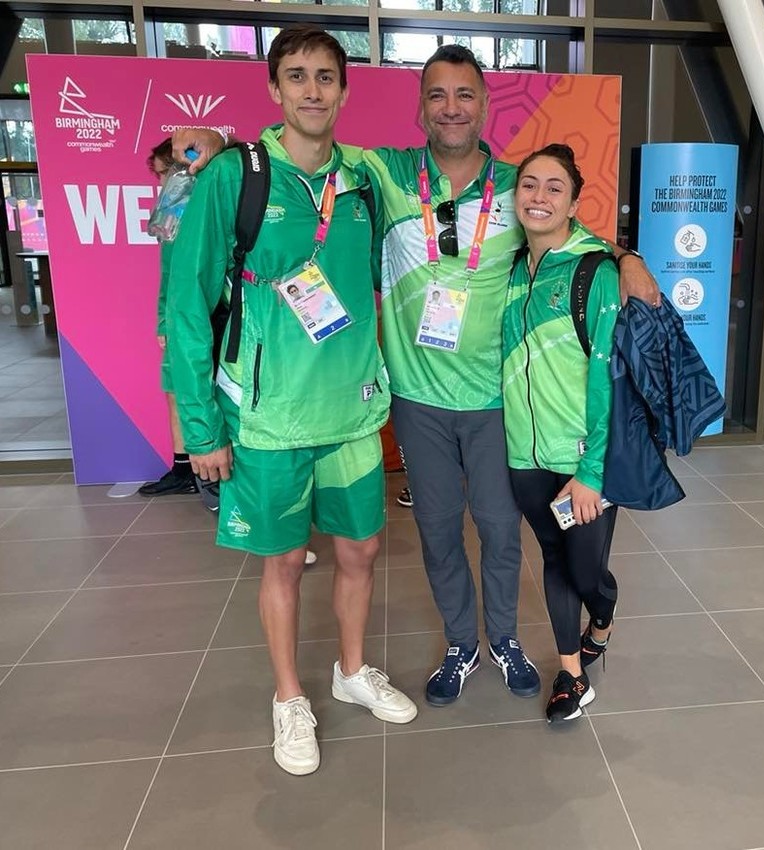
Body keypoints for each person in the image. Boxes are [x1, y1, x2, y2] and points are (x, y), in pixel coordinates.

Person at [172, 42, 659, 709]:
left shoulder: (518, 184)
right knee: (436, 531)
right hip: (415, 399)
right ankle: (461, 643)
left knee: (496, 528)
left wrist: (626, 258)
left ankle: (504, 640)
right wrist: (214, 145)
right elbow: (302, 153)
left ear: (485, 103)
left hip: (494, 401)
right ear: (421, 107)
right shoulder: (382, 173)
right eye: (437, 94)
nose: (452, 107)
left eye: (465, 94)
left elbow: (568, 230)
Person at [165, 26, 416, 777]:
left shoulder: (364, 179)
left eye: (327, 77)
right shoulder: (233, 178)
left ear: (345, 89)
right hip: (267, 420)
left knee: (363, 549)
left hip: (351, 413)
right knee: (281, 564)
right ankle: (287, 699)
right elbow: (184, 305)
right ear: (274, 89)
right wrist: (201, 428)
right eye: (298, 76)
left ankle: (348, 670)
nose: (313, 90)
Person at [502, 144, 620, 724]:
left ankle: (604, 610)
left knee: (587, 571)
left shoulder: (595, 268)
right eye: (529, 185)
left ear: (575, 201)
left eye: (554, 187)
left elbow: (608, 378)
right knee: (553, 555)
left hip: (580, 459)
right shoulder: (510, 269)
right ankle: (572, 672)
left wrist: (593, 470)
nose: (539, 197)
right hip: (524, 455)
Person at [138, 140, 200, 500]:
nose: (163, 181)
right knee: (175, 389)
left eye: (166, 172)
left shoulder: (214, 205)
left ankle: (214, 472)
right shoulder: (172, 212)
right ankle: (184, 468)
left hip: (211, 316)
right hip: (179, 316)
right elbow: (169, 270)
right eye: (160, 174)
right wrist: (163, 319)